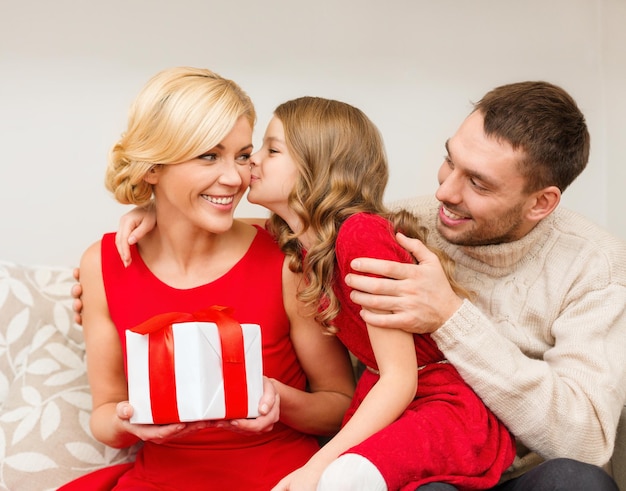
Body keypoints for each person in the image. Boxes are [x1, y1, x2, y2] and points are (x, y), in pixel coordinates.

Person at [101, 96, 517, 490]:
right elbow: (207, 219)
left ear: (316, 168)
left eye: (269, 150)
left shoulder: (360, 235)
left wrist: (317, 466)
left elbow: (400, 377)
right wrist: (154, 209)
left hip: (439, 406)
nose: (250, 165)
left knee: (339, 478)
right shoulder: (301, 243)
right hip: (396, 406)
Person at [61, 67, 355, 491]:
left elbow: (339, 404)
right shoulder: (102, 264)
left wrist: (276, 398)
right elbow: (105, 416)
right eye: (208, 156)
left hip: (280, 478)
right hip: (159, 480)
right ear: (152, 167)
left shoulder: (284, 257)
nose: (235, 178)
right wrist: (133, 423)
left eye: (242, 155)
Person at [341, 81, 626, 490]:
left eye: (479, 183)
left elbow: (587, 441)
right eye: (449, 160)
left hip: (523, 476)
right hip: (423, 465)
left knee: (578, 482)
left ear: (540, 203)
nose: (445, 191)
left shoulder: (594, 265)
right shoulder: (405, 225)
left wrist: (450, 318)